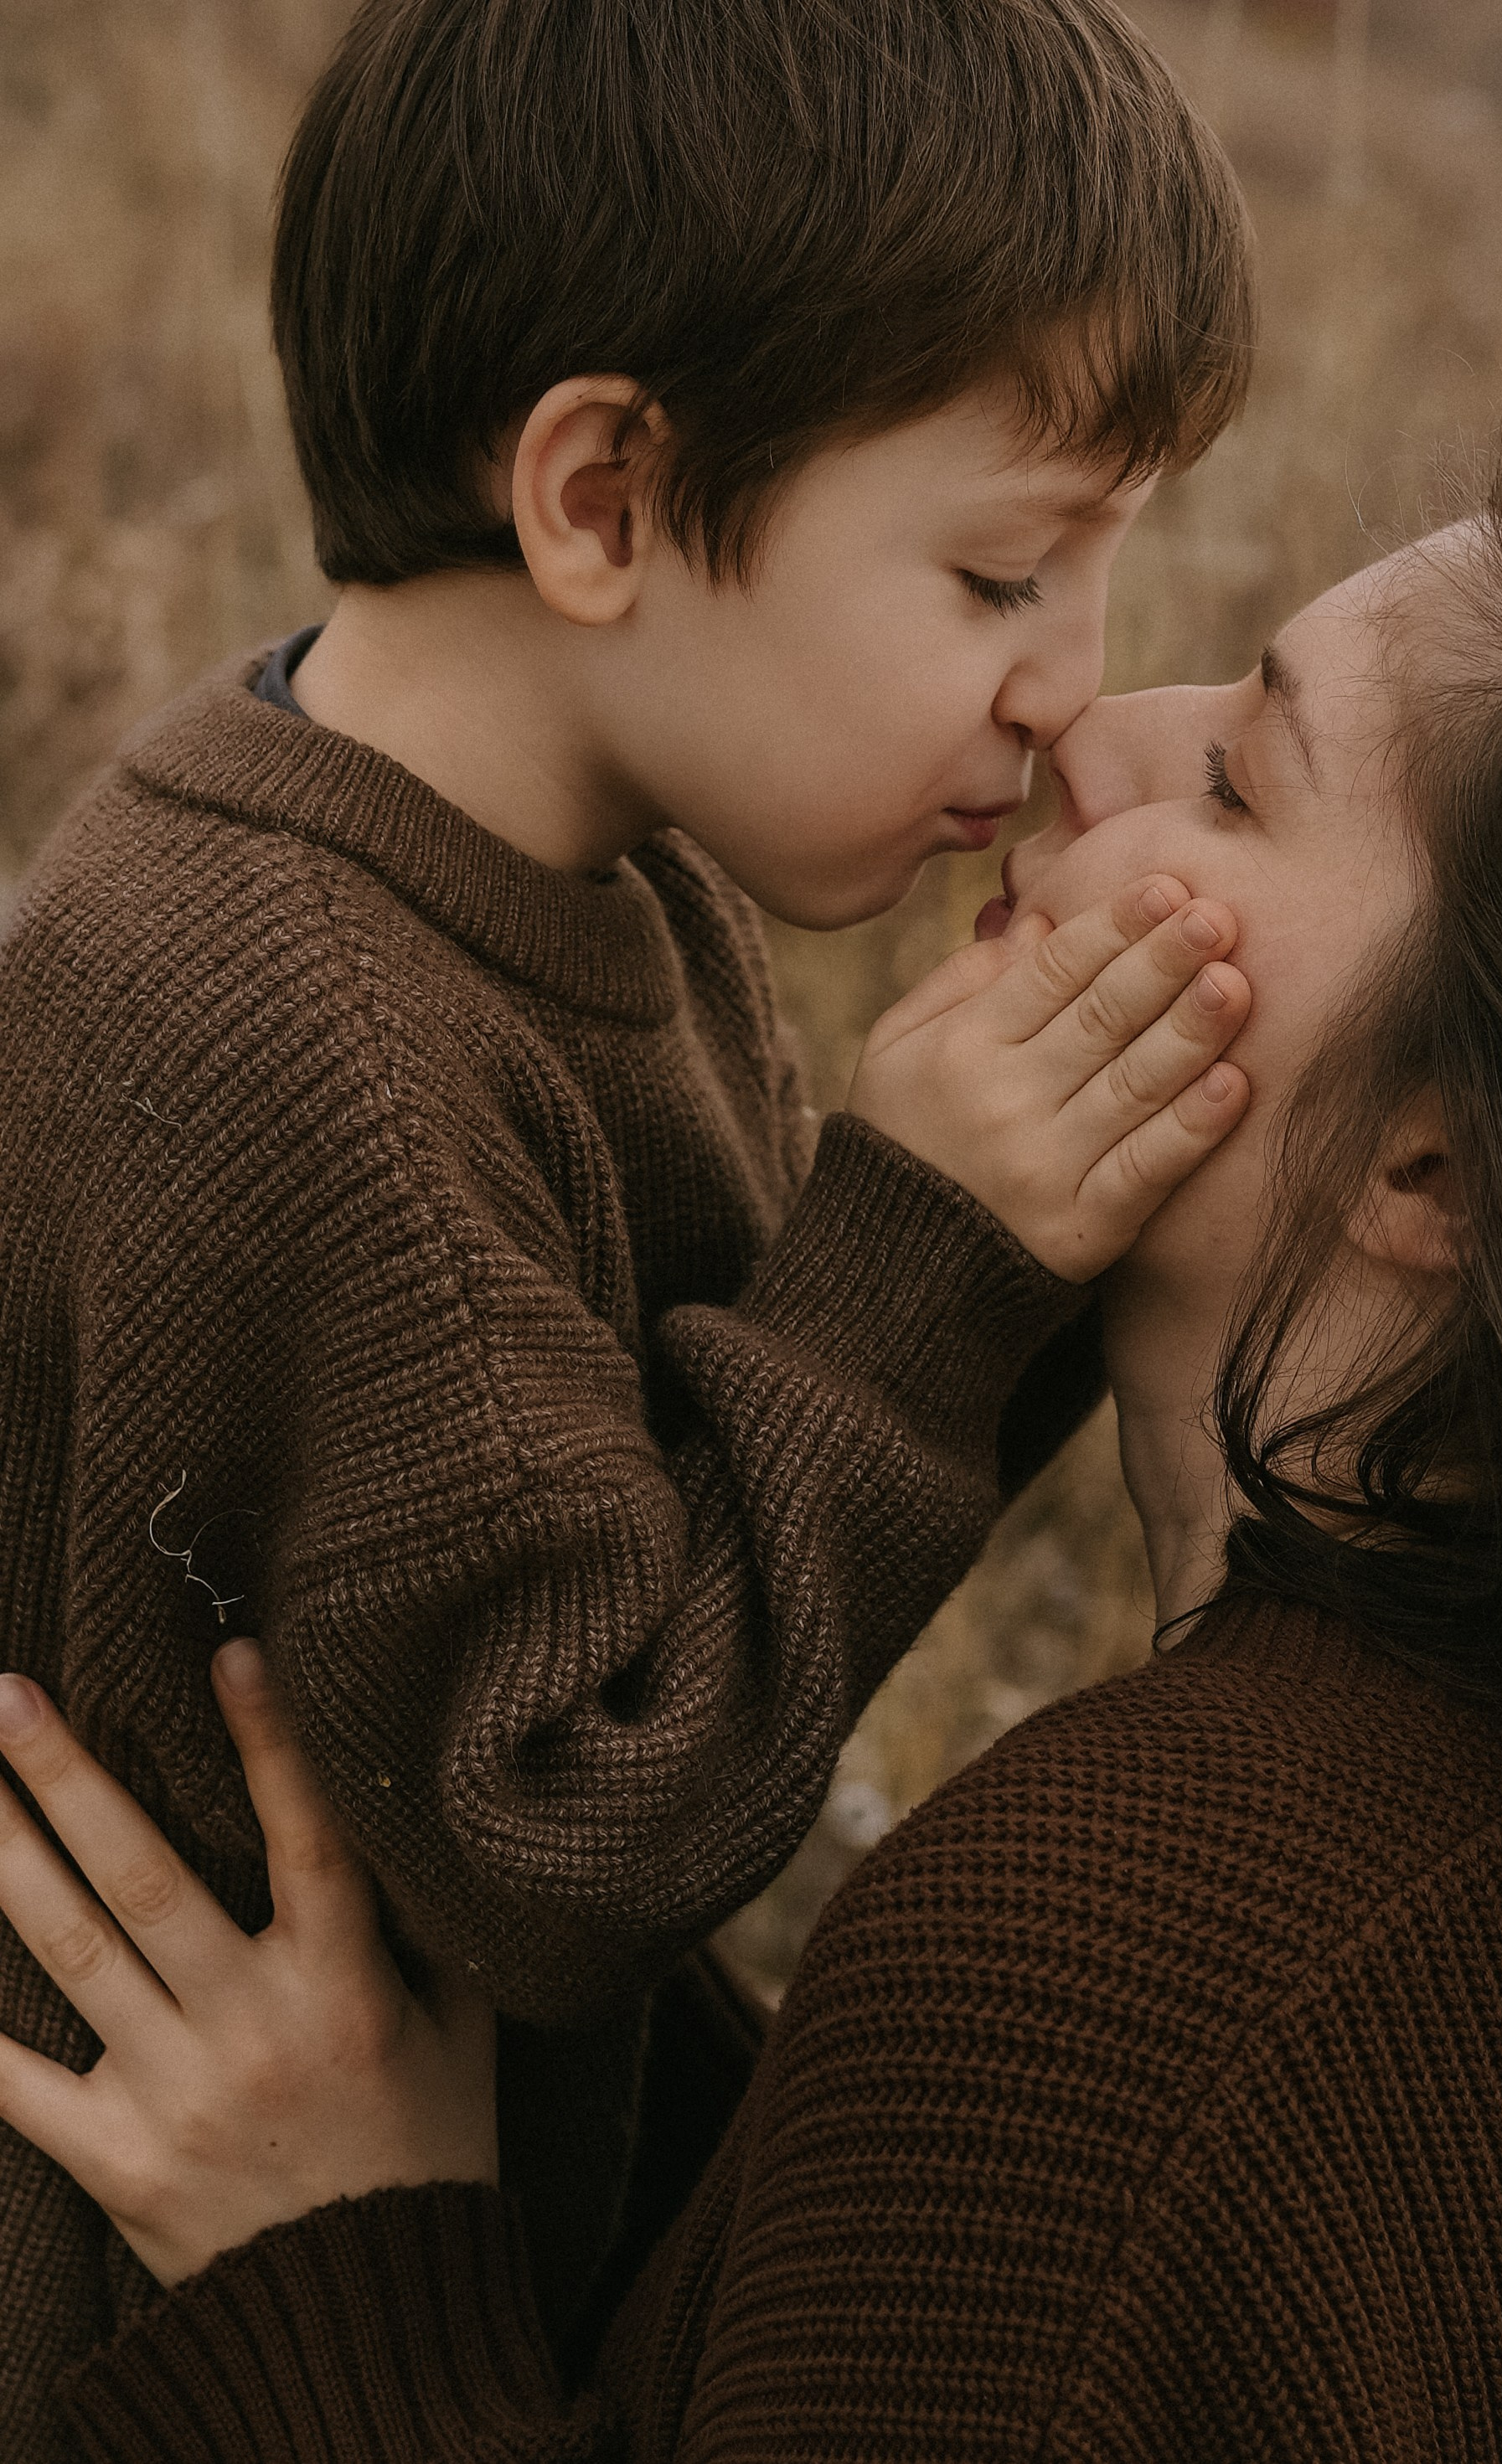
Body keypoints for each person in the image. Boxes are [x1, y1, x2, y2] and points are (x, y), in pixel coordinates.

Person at [8, 400, 1502, 2460]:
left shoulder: (1101, 1997)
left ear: (1441, 1171)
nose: (1090, 727)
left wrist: (333, 2295)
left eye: (1237, 780)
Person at [0, 0, 1258, 2441]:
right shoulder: (270, 1025)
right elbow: (564, 1821)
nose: (1064, 687)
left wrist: (1031, 1216)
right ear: (596, 498)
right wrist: (933, 1253)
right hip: (169, 2344)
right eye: (1001, 567)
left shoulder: (589, 872)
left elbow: (702, 1497)